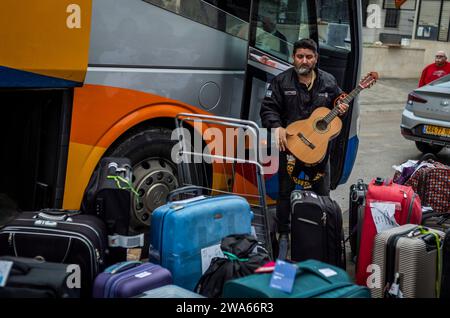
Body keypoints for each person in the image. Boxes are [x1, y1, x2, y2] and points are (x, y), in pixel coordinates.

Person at [259, 38, 348, 258]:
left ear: (316, 59)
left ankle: (321, 234)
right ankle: (284, 235)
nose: (304, 61)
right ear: (293, 58)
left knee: (323, 195)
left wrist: (341, 105)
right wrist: (276, 126)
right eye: (300, 56)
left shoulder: (328, 81)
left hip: (319, 154)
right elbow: (268, 109)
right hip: (290, 148)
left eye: (309, 57)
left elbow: (339, 99)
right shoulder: (281, 81)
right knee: (284, 194)